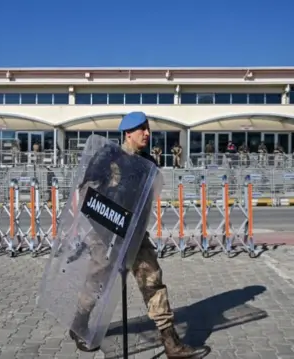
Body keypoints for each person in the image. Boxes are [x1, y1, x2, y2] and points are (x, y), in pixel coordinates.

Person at [68, 111, 211, 359]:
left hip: (132, 231)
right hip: (104, 230)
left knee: (152, 279)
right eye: (141, 129)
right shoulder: (108, 156)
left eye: (148, 128)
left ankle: (170, 341)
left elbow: (147, 198)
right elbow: (85, 192)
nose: (147, 133)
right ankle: (80, 321)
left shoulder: (148, 164)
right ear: (128, 133)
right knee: (97, 278)